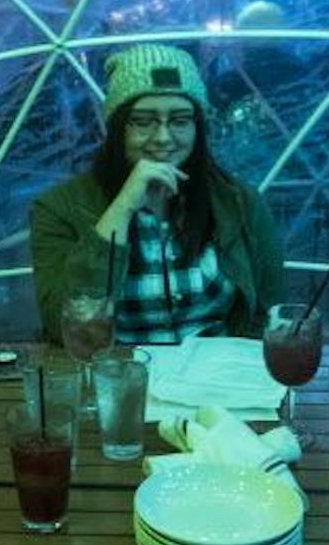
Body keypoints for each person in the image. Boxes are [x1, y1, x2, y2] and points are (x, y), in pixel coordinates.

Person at [30, 43, 285, 345]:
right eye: (143, 121)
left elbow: (267, 314)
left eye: (179, 120)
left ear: (197, 127)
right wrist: (122, 208)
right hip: (117, 377)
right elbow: (63, 325)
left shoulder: (239, 203)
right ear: (117, 129)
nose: (163, 138)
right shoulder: (58, 208)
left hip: (214, 380)